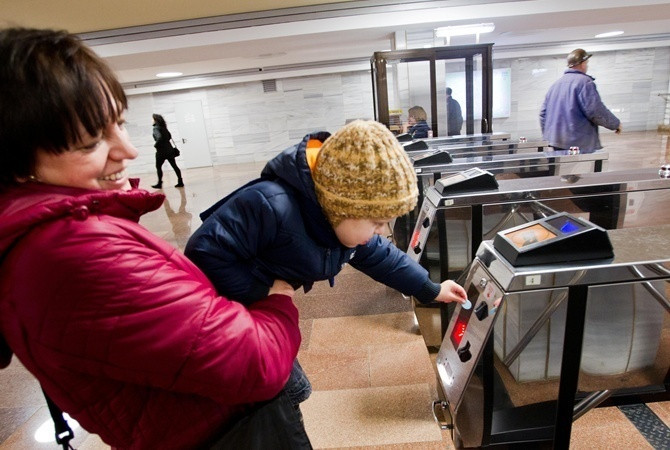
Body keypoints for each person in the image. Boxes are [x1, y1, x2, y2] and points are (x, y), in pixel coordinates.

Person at [0, 28, 306, 449]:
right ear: (17, 166)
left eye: (120, 124)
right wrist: (279, 301)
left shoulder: (59, 234)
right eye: (91, 142)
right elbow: (253, 362)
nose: (127, 149)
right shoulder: (70, 252)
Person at [185, 119, 469, 407]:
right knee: (277, 395)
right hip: (229, 316)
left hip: (260, 311)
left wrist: (430, 289)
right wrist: (262, 290)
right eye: (376, 222)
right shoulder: (270, 205)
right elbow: (203, 251)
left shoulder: (337, 222)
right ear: (343, 207)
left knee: (290, 391)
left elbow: (381, 255)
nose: (381, 232)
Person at [540, 48, 622, 151]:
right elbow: (595, 110)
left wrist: (549, 136)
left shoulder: (555, 85)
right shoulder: (584, 82)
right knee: (580, 167)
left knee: (562, 167)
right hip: (578, 142)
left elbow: (543, 114)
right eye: (586, 63)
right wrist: (615, 124)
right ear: (582, 64)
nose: (587, 66)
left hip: (556, 141)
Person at [151, 113, 184, 189]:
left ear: (155, 120)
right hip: (169, 150)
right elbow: (169, 137)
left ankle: (159, 183)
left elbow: (159, 138)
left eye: (152, 119)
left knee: (158, 167)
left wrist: (155, 145)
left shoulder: (156, 128)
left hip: (161, 152)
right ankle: (180, 181)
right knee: (174, 166)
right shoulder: (164, 127)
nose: (151, 120)